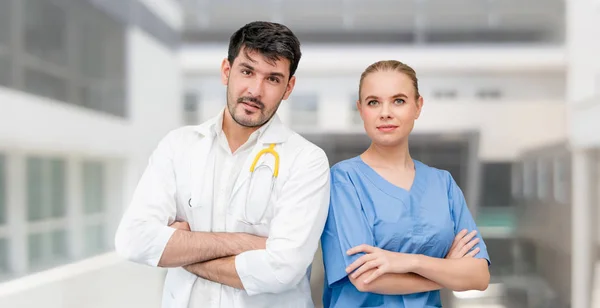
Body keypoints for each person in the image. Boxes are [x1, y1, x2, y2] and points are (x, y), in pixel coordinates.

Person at [114, 21, 331, 308]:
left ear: (288, 87)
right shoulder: (178, 146)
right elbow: (133, 241)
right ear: (226, 71)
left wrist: (183, 254)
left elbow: (283, 270)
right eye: (247, 71)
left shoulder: (307, 160)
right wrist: (241, 242)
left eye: (273, 79)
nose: (255, 90)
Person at [320, 60, 491, 308]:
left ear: (418, 106)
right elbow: (365, 278)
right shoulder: (344, 180)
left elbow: (479, 276)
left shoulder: (442, 184)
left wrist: (411, 262)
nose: (385, 112)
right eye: (373, 102)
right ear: (360, 110)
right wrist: (447, 272)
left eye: (398, 100)